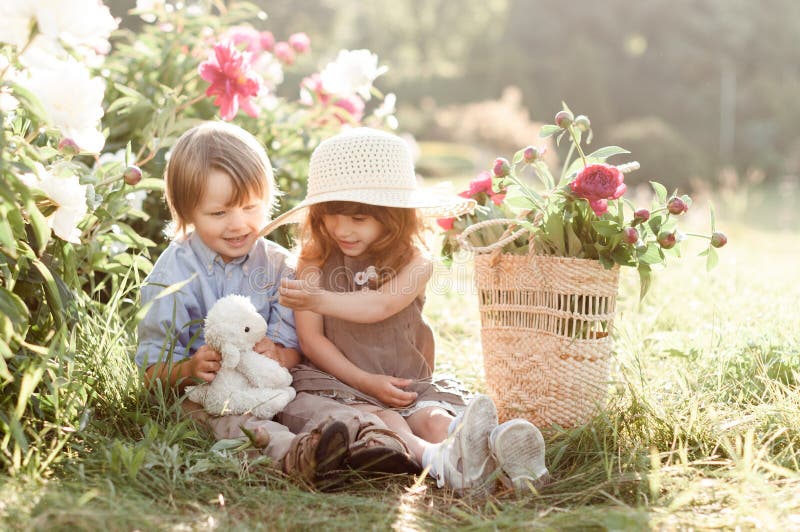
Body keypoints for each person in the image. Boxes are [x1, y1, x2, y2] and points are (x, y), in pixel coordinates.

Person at [263, 127, 549, 493]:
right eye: (331, 215)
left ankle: (492, 447)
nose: (341, 229)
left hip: (404, 380)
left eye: (358, 218)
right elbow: (311, 339)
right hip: (338, 381)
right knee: (383, 421)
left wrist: (317, 299)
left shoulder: (415, 262)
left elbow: (380, 305)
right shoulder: (314, 258)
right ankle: (438, 461)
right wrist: (366, 382)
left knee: (431, 417)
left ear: (393, 215)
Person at [135, 121, 351, 486]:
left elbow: (294, 345)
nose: (238, 225)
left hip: (268, 385)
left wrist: (280, 354)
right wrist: (188, 369)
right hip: (206, 395)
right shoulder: (170, 276)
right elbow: (149, 374)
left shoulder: (279, 265)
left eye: (251, 208)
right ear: (188, 213)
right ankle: (291, 454)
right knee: (222, 419)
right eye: (219, 214)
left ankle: (352, 438)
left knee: (302, 400)